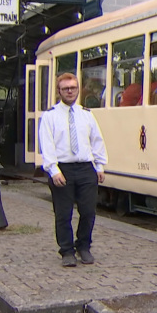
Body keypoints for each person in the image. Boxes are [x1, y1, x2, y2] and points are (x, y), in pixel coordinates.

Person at [38, 73, 108, 267]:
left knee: (88, 211)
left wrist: (99, 166)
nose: (70, 91)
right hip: (63, 169)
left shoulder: (86, 115)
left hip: (86, 168)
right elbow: (47, 145)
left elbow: (97, 140)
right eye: (66, 88)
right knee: (63, 213)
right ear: (59, 91)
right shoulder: (50, 116)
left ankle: (84, 246)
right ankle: (67, 251)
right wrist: (53, 170)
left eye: (73, 88)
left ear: (78, 90)